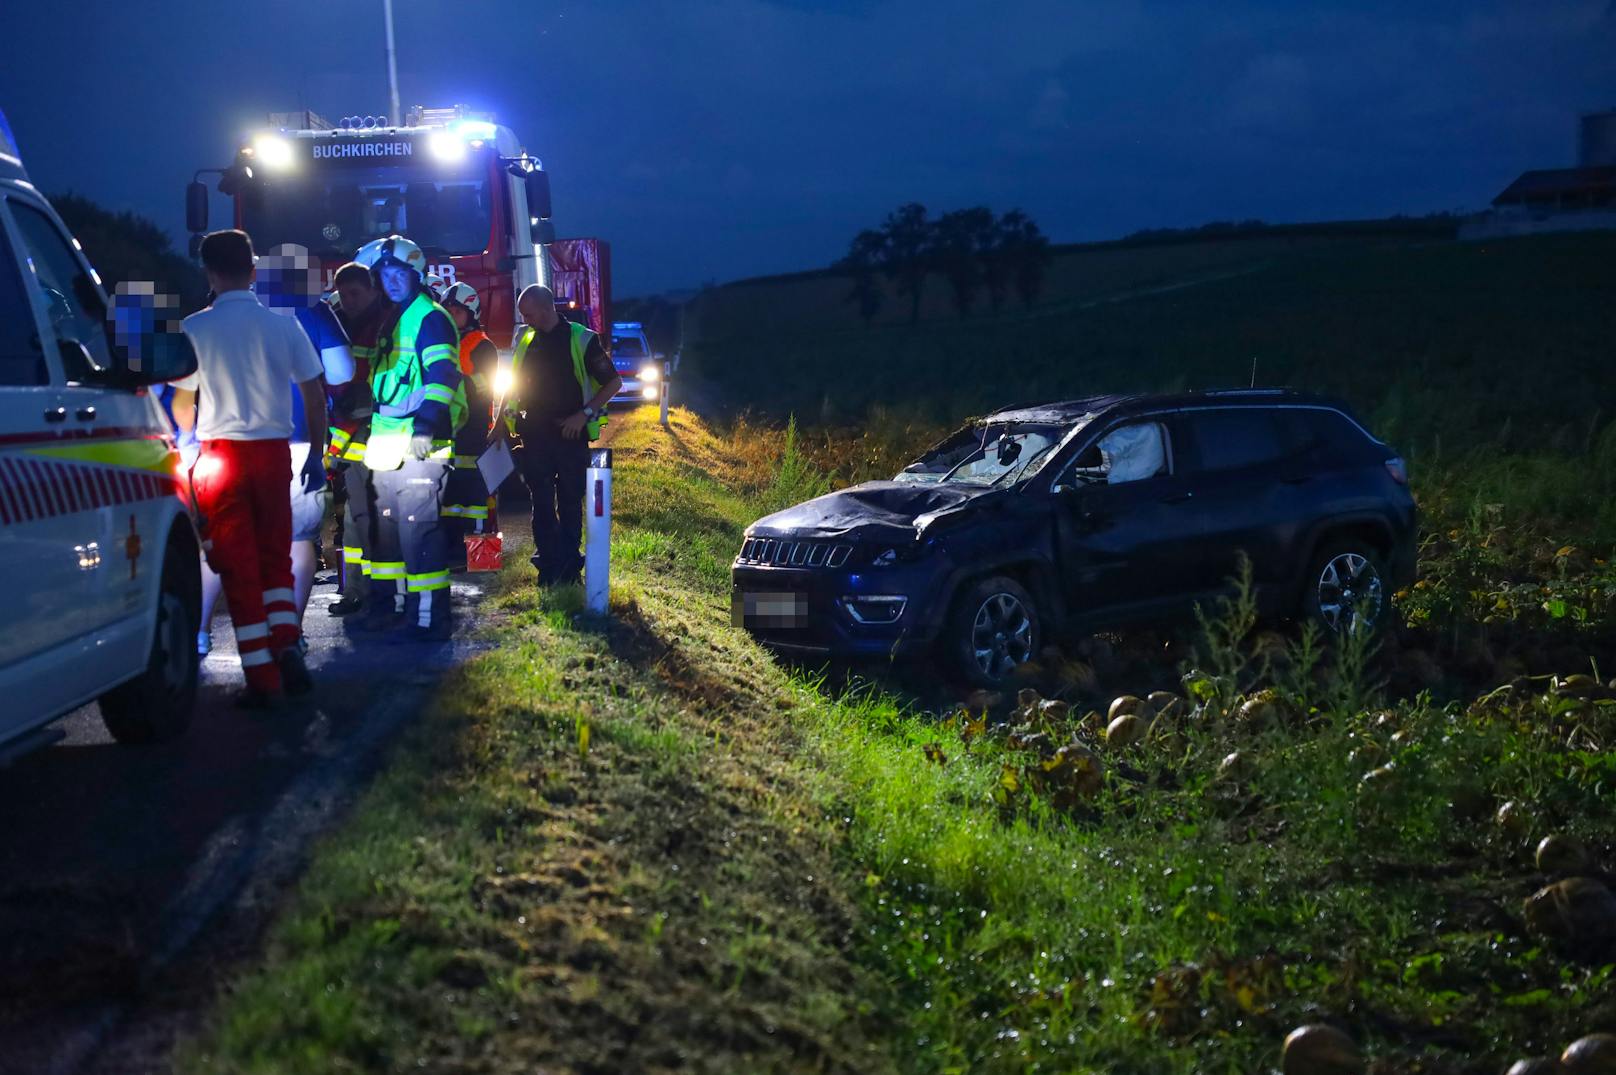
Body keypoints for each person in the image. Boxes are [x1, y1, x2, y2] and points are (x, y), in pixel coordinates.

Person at [172, 230, 327, 706]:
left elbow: (182, 403)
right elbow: (315, 395)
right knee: (275, 558)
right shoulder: (284, 326)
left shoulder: (195, 328)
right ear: (253, 271)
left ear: (210, 274)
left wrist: (188, 443)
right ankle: (286, 644)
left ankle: (262, 679)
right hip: (275, 453)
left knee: (236, 568)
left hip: (221, 456)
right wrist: (317, 455)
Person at [352, 235, 465, 639]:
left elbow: (443, 376)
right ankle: (392, 607)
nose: (392, 280)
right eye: (385, 274)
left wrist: (425, 427)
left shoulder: (429, 317)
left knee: (419, 533)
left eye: (400, 273)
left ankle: (429, 619)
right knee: (389, 536)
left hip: (421, 446)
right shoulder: (393, 317)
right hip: (387, 449)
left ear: (416, 275)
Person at [257, 245, 356, 624]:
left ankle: (255, 620)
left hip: (242, 443)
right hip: (300, 440)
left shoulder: (240, 312)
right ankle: (289, 626)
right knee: (299, 538)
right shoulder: (315, 314)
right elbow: (342, 372)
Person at [503, 285, 622, 585]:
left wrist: (583, 415)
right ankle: (548, 568)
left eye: (528, 313)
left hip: (570, 436)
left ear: (544, 309)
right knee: (541, 504)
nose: (525, 320)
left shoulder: (582, 339)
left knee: (569, 503)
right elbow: (513, 385)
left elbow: (613, 383)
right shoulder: (526, 339)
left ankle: (570, 569)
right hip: (535, 434)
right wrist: (498, 425)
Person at [326, 262, 387, 614]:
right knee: (354, 519)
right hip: (349, 434)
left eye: (355, 294)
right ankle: (355, 592)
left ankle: (385, 593)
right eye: (344, 294)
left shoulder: (387, 324)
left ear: (372, 291)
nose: (348, 301)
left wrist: (365, 394)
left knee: (383, 518)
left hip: (382, 433)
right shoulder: (336, 323)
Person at [440, 282, 500, 559]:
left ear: (471, 312)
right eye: (448, 311)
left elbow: (486, 386)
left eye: (457, 311)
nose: (452, 316)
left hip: (474, 430)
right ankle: (452, 552)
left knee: (477, 500)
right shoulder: (443, 343)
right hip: (446, 430)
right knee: (449, 498)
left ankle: (481, 559)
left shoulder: (483, 347)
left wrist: (453, 382)